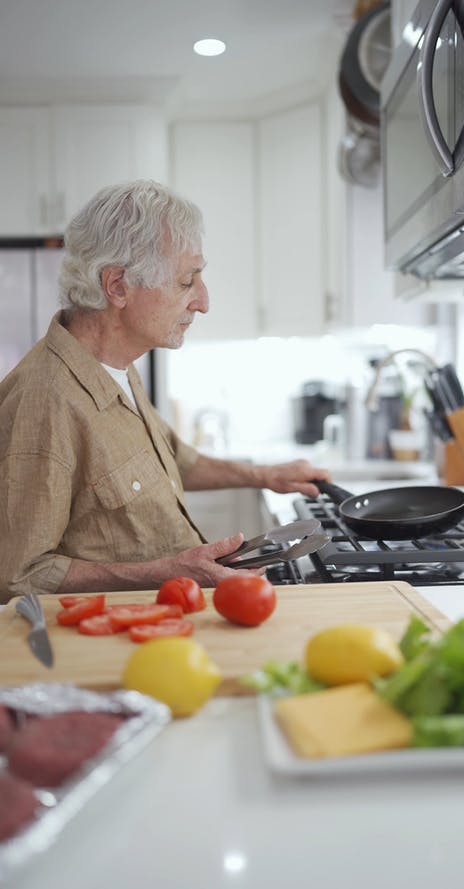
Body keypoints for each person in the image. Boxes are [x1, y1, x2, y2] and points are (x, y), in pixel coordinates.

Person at [0, 180, 331, 603]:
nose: (203, 302)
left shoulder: (118, 363)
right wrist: (161, 573)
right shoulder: (45, 402)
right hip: (110, 649)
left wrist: (265, 475)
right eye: (186, 281)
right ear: (117, 286)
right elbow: (19, 575)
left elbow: (172, 459)